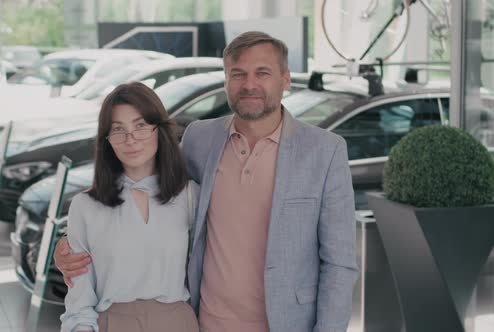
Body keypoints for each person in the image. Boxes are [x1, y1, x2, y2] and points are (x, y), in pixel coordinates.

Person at [56, 31, 358, 332]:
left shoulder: (325, 150)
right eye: (237, 74)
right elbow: (152, 192)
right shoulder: (200, 138)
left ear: (286, 79)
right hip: (206, 322)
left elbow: (339, 263)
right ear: (226, 81)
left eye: (262, 73)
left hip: (288, 324)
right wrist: (69, 245)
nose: (249, 84)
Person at [59, 82, 199, 332]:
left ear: (159, 129)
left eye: (141, 126)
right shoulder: (85, 206)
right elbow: (79, 301)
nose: (130, 139)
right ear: (107, 140)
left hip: (178, 323)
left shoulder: (189, 196)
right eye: (118, 130)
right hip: (112, 323)